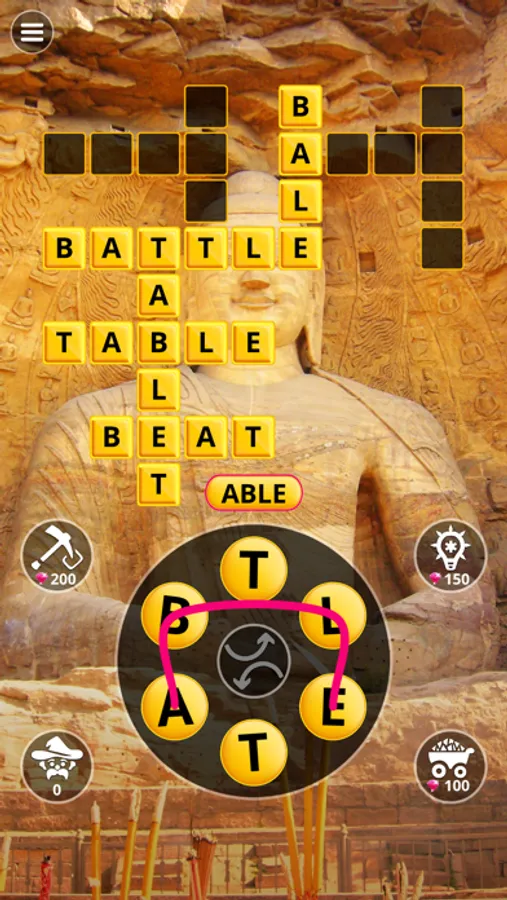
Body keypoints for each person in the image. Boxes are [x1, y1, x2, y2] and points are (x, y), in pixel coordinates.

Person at [1, 171, 498, 686]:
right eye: (228, 254)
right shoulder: (96, 423)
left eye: (283, 256)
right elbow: (29, 617)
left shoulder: (388, 423)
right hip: (170, 683)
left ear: (315, 289)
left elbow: (465, 615)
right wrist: (181, 642)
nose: (257, 277)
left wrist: (334, 653)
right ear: (184, 286)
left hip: (336, 684)